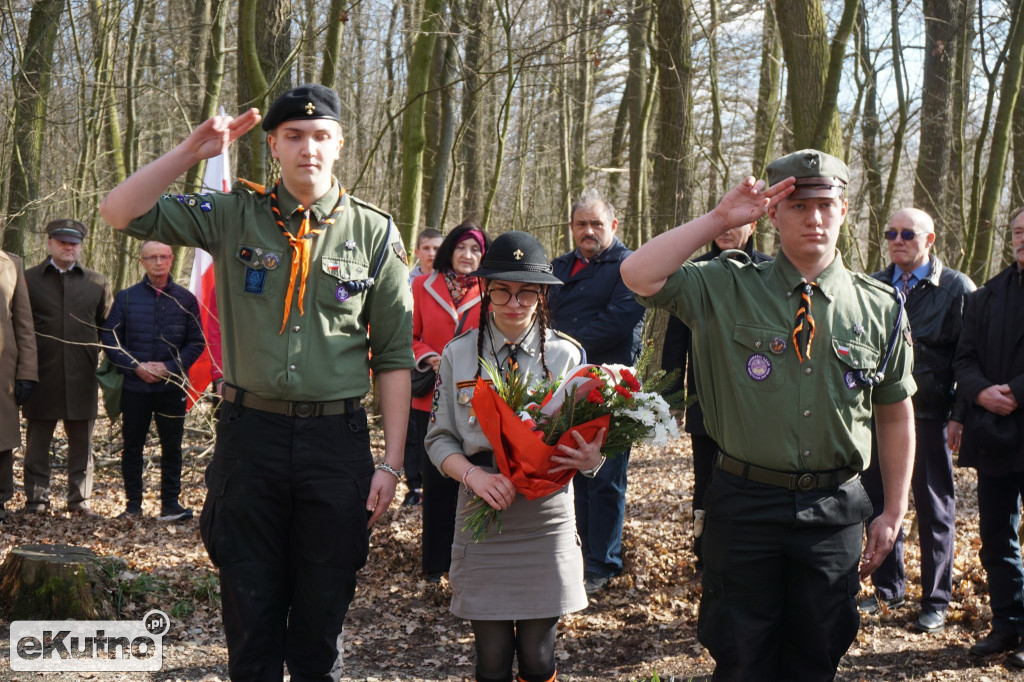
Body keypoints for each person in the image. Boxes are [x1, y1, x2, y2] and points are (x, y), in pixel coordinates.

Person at [98, 83, 413, 680]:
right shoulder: (232, 215)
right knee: (250, 629)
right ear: (273, 145)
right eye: (293, 136)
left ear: (340, 145)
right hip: (251, 440)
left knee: (320, 632)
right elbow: (118, 212)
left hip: (335, 445)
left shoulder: (375, 232)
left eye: (320, 136)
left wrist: (391, 463)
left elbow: (395, 355)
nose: (308, 149)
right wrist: (189, 153)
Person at [621, 149, 916, 681]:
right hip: (745, 506)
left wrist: (893, 510)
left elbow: (895, 413)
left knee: (816, 659)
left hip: (834, 510)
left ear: (845, 210)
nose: (814, 218)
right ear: (773, 214)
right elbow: (637, 274)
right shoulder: (726, 285)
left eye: (825, 205)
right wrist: (719, 219)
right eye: (798, 206)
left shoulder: (880, 307)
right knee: (741, 660)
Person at [426, 230, 605, 682]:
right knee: (491, 658)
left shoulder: (566, 355)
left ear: (542, 293)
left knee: (538, 656)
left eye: (527, 291)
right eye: (502, 290)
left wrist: (591, 461)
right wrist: (474, 477)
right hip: (483, 509)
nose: (514, 302)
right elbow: (438, 439)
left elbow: (588, 440)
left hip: (546, 516)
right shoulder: (458, 354)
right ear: (486, 288)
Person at [859, 208, 975, 633]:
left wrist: (959, 415)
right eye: (891, 233)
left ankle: (936, 599)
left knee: (933, 507)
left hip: (932, 416)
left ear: (930, 240)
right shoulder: (873, 285)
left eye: (908, 234)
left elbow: (970, 356)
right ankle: (888, 589)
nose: (897, 240)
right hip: (880, 414)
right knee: (880, 503)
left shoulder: (956, 288)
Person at [548, 189, 645, 595]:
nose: (588, 231)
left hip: (611, 387)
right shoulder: (557, 267)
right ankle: (574, 556)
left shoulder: (630, 266)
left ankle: (603, 563)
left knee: (605, 477)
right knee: (569, 472)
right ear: (571, 227)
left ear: (613, 225)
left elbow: (617, 321)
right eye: (581, 224)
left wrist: (560, 346)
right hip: (560, 387)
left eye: (596, 224)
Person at [661, 221, 772, 569]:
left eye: (735, 224)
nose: (725, 230)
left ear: (753, 225)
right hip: (705, 402)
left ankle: (752, 555)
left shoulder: (771, 272)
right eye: (720, 222)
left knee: (756, 482)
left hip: (760, 405)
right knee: (707, 482)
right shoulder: (692, 273)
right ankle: (705, 555)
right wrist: (673, 400)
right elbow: (675, 344)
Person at [954, 206, 1024, 666]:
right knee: (997, 536)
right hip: (995, 434)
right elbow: (964, 358)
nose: (1023, 239)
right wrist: (980, 392)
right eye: (1018, 231)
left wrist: (1016, 392)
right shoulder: (986, 296)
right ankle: (1007, 625)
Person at [101, 240, 206, 522]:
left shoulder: (185, 299)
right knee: (132, 446)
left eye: (163, 257)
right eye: (151, 258)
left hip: (172, 387)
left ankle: (170, 504)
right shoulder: (126, 298)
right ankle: (133, 506)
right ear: (142, 262)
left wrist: (169, 367)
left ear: (171, 260)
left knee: (172, 447)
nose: (158, 262)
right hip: (135, 387)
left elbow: (197, 342)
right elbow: (109, 337)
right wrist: (135, 367)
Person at [409, 223, 490, 579]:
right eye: (461, 247)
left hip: (477, 400)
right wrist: (430, 356)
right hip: (432, 397)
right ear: (449, 251)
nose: (467, 255)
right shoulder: (421, 286)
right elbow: (409, 335)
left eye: (475, 249)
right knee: (436, 481)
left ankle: (471, 563)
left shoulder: (491, 289)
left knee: (473, 480)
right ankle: (435, 565)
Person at [22, 219, 113, 516]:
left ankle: (79, 500)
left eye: (74, 243)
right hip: (40, 375)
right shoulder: (28, 280)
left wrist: (110, 371)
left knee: (82, 445)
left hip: (82, 376)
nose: (68, 247)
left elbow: (109, 330)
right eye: (62, 242)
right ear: (49, 243)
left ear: (81, 246)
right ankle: (37, 500)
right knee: (37, 444)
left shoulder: (97, 283)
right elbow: (18, 325)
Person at [0, 250, 37, 522]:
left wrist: (27, 372)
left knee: (0, 438)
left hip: (2, 369)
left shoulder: (11, 264)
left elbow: (24, 324)